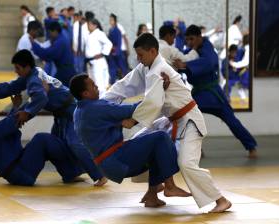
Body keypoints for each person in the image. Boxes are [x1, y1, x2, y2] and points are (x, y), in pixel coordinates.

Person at [103, 33, 232, 213]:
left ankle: (221, 200)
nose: (138, 59)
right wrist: (101, 103)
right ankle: (152, 193)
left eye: (141, 55)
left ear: (153, 51)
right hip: (170, 121)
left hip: (189, 121)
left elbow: (154, 102)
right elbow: (125, 85)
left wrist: (132, 120)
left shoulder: (159, 70)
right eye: (137, 55)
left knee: (186, 163)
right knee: (142, 145)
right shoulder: (146, 68)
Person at [0, 50, 107, 186]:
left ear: (26, 67)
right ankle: (70, 174)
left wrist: (27, 113)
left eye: (17, 68)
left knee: (74, 144)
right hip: (61, 113)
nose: (16, 71)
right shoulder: (33, 74)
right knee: (55, 144)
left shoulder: (34, 80)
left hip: (70, 112)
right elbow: (14, 85)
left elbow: (41, 97)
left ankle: (99, 175)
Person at [70, 74, 192, 207]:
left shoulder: (79, 111)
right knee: (160, 137)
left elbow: (112, 119)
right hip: (116, 159)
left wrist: (127, 121)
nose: (97, 87)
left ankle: (152, 196)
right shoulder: (95, 108)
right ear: (86, 93)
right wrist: (159, 91)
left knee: (153, 147)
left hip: (107, 164)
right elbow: (132, 109)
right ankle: (169, 185)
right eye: (93, 86)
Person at [173, 25, 257, 158]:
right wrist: (179, 65)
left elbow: (208, 63)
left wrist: (186, 65)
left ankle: (251, 146)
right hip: (200, 95)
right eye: (187, 40)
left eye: (192, 39)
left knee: (232, 122)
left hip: (213, 94)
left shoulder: (207, 48)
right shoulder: (191, 49)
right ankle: (197, 150)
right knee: (188, 118)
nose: (189, 42)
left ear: (200, 37)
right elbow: (185, 61)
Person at [0, 95, 83, 186]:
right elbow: (12, 121)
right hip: (20, 173)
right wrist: (35, 99)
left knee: (47, 146)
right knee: (42, 140)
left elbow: (8, 123)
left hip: (17, 173)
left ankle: (70, 174)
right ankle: (77, 161)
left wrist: (16, 107)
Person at [30, 21, 76, 87]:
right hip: (65, 70)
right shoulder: (62, 37)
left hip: (65, 72)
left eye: (50, 33)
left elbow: (48, 54)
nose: (49, 35)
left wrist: (34, 44)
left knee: (55, 89)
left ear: (55, 31)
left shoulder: (60, 42)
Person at [85, 18, 112, 95]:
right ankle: (98, 101)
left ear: (95, 25)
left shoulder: (99, 33)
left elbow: (109, 44)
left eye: (89, 24)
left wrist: (102, 53)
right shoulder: (90, 34)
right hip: (91, 62)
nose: (88, 26)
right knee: (93, 82)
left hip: (98, 61)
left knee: (100, 84)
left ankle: (103, 101)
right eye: (88, 24)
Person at [108, 13, 128, 84]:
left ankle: (127, 82)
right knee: (113, 68)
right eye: (109, 20)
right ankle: (112, 82)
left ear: (115, 21)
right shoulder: (111, 30)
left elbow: (119, 42)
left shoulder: (117, 30)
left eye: (111, 20)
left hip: (117, 52)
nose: (110, 21)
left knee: (123, 68)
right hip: (112, 51)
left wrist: (116, 51)